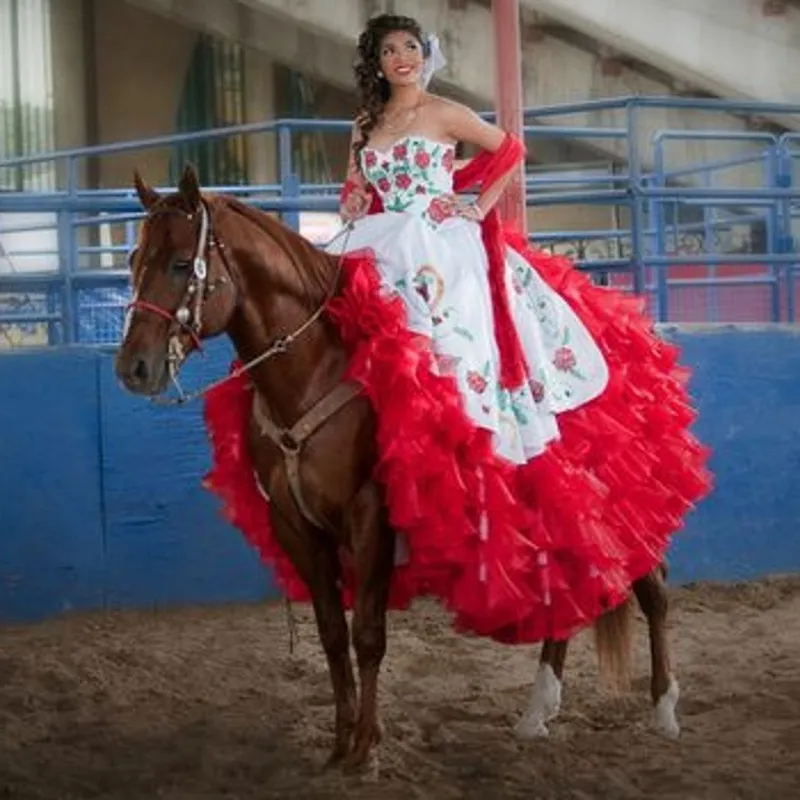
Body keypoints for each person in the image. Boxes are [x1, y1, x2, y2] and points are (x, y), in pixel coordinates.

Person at [205, 13, 712, 645]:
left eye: (410, 47)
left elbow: (510, 149)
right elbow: (355, 193)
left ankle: (471, 448)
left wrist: (476, 202)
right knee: (338, 337)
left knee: (445, 346)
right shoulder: (365, 124)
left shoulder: (446, 112)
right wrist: (355, 204)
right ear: (377, 61)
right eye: (389, 50)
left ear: (425, 54)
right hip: (379, 238)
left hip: (437, 244)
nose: (401, 58)